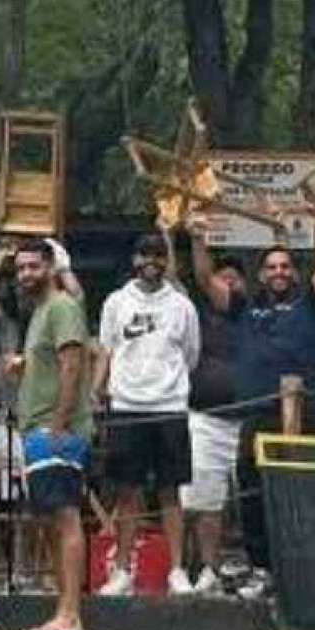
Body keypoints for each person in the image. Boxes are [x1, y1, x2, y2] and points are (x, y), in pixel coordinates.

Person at [190, 200, 315, 597]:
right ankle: (263, 571)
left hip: (306, 411)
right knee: (254, 493)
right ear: (260, 275)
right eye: (271, 267)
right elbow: (206, 279)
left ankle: (310, 575)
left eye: (285, 266)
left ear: (294, 272)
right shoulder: (246, 308)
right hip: (257, 413)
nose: (279, 272)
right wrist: (198, 237)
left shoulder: (310, 302)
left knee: (308, 492)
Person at [95, 230, 202, 597]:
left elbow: (191, 355)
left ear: (166, 260)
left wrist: (166, 384)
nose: (151, 262)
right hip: (127, 406)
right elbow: (106, 351)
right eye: (144, 255)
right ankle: (122, 570)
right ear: (133, 260)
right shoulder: (115, 302)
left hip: (170, 405)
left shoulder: (183, 305)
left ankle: (176, 570)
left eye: (158, 255)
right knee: (128, 492)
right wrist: (98, 393)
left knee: (170, 491)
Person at [9, 240, 93, 630]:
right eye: (21, 268)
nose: (26, 274)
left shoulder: (61, 306)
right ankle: (65, 610)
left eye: (33, 266)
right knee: (52, 520)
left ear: (51, 267)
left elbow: (73, 364)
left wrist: (59, 425)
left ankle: (71, 613)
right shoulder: (41, 312)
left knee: (65, 517)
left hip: (55, 430)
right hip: (38, 428)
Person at [179, 245, 246, 594]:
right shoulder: (195, 313)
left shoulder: (254, 314)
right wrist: (197, 236)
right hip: (206, 418)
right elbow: (196, 276)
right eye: (225, 278)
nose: (230, 283)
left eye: (237, 278)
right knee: (204, 500)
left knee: (254, 499)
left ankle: (255, 568)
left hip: (250, 420)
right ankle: (208, 567)